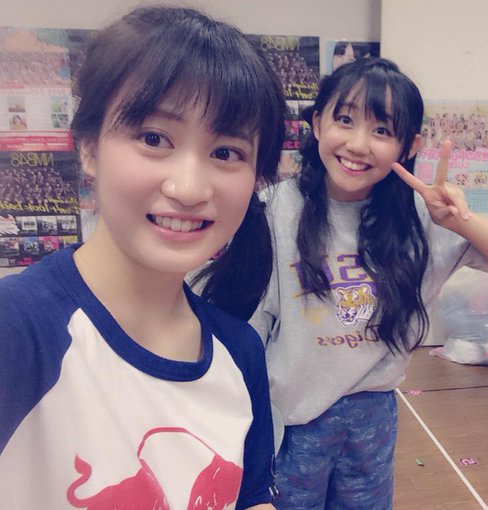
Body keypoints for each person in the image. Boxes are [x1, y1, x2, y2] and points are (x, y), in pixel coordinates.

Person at [0, 6, 285, 509]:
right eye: (154, 139)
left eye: (226, 153)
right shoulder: (17, 331)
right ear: (89, 147)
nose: (189, 188)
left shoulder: (239, 352)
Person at [246, 57, 488, 509]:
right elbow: (249, 326)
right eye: (345, 120)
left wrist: (460, 221)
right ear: (318, 123)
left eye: (382, 130)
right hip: (290, 415)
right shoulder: (275, 208)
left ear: (409, 145)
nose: (359, 144)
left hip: (372, 413)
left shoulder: (421, 218)